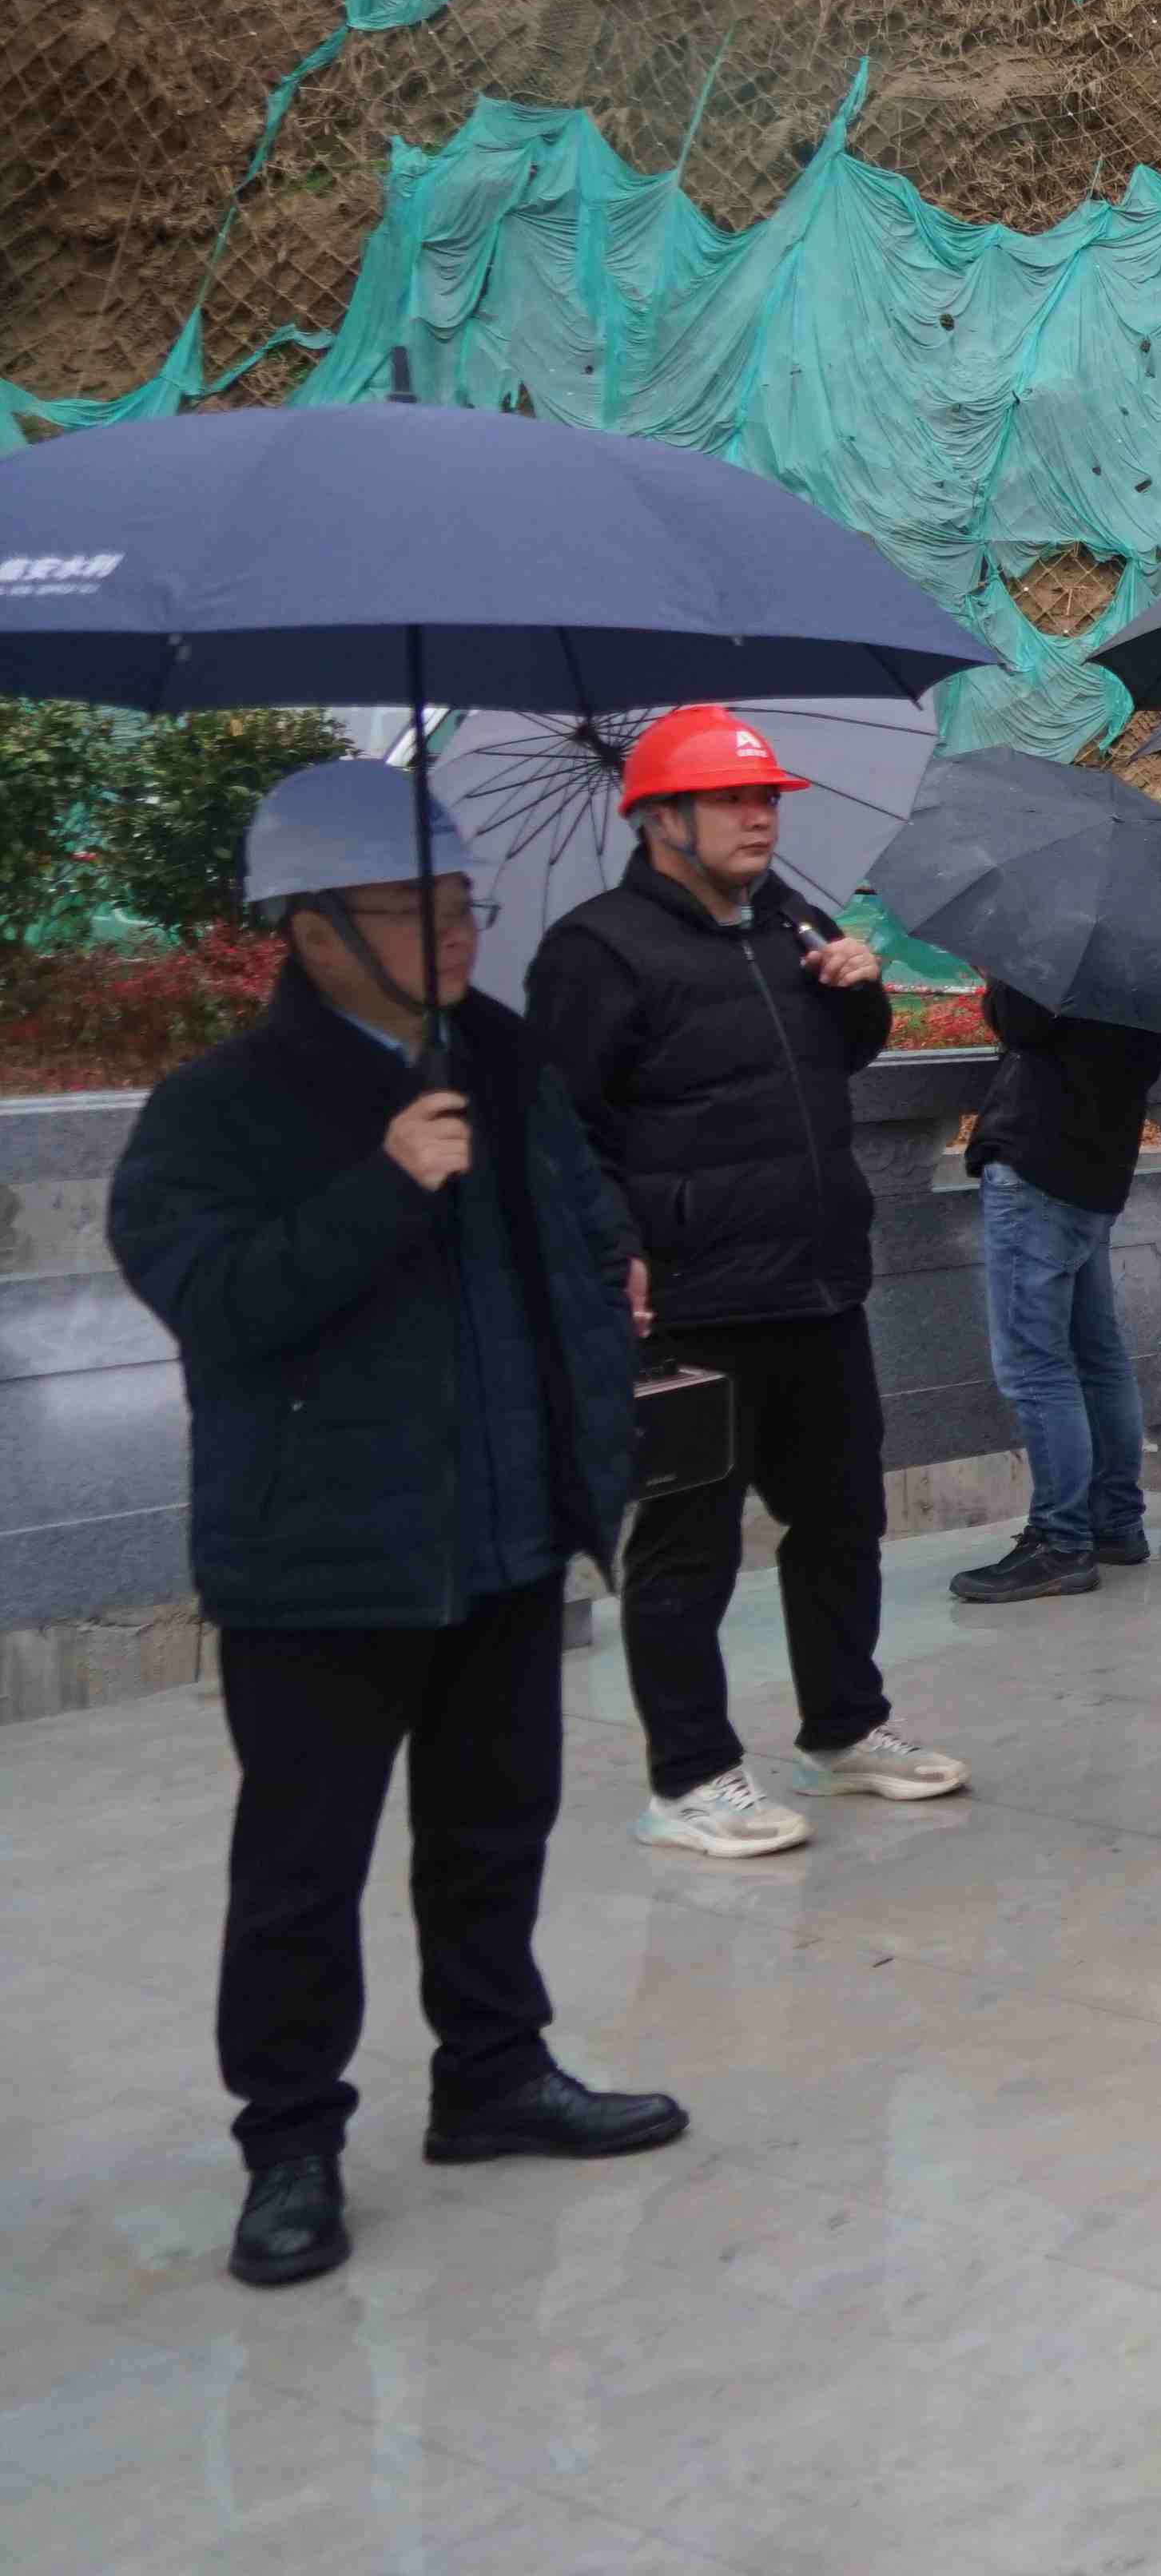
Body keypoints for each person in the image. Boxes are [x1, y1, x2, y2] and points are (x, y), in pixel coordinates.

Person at [109, 763, 690, 2290]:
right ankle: (290, 2144)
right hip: (324, 1559)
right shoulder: (216, 1109)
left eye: (460, 904)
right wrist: (383, 1184)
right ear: (311, 930)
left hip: (505, 1528)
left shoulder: (501, 1057)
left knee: (495, 1829)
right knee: (302, 1870)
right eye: (413, 911)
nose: (455, 934)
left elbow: (577, 1218)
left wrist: (610, 1284)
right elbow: (217, 1305)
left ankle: (493, 2075)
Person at [531, 706, 964, 1857]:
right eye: (732, 798)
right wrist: (610, 1251)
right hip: (692, 1300)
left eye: (766, 797)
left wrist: (859, 989)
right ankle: (689, 1778)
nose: (760, 816)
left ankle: (844, 1729)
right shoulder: (598, 949)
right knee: (690, 1549)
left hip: (817, 1282)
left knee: (842, 1521)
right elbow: (558, 1128)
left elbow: (835, 1055)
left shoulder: (791, 921)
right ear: (660, 819)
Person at [941, 975, 1161, 1602]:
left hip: (1040, 1161)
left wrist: (1001, 969)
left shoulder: (1061, 950)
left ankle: (1060, 1541)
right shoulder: (1151, 958)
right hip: (1097, 1164)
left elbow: (1023, 1022)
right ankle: (1115, 1522)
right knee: (1098, 1355)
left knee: (1035, 1365)